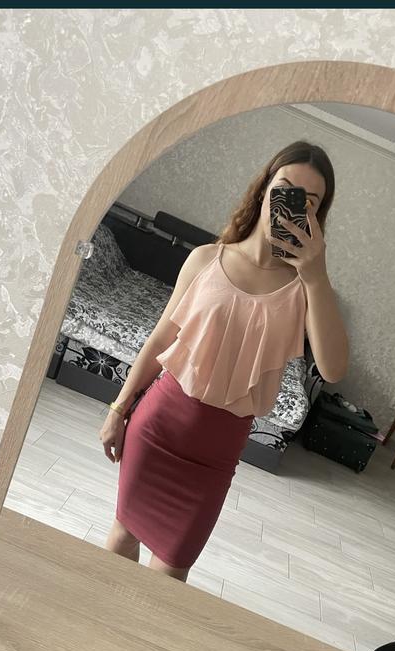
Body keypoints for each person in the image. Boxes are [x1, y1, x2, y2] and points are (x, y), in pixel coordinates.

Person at [99, 140, 349, 582]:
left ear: (316, 216)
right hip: (159, 423)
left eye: (308, 201)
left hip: (216, 453)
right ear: (264, 188)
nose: (292, 204)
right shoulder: (205, 260)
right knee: (122, 535)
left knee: (171, 571)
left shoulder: (305, 290)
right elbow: (160, 339)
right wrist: (118, 408)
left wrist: (316, 275)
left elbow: (333, 369)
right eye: (285, 188)